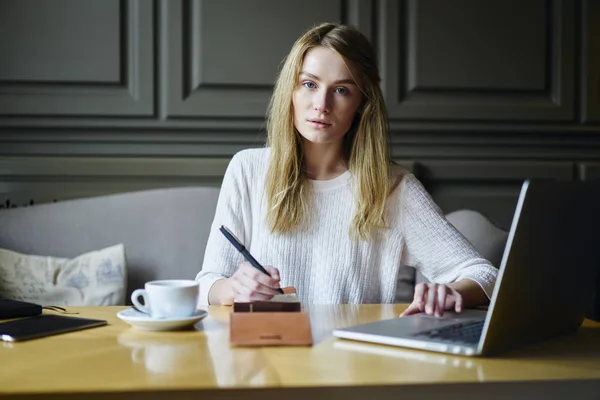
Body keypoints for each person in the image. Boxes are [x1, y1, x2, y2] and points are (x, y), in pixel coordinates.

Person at [196, 22, 498, 317]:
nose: (321, 104)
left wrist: (451, 291)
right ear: (291, 90)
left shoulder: (392, 187)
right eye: (309, 84)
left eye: (341, 90)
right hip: (267, 356)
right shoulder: (247, 169)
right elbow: (206, 284)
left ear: (362, 104)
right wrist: (233, 289)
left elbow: (486, 274)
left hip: (352, 359)